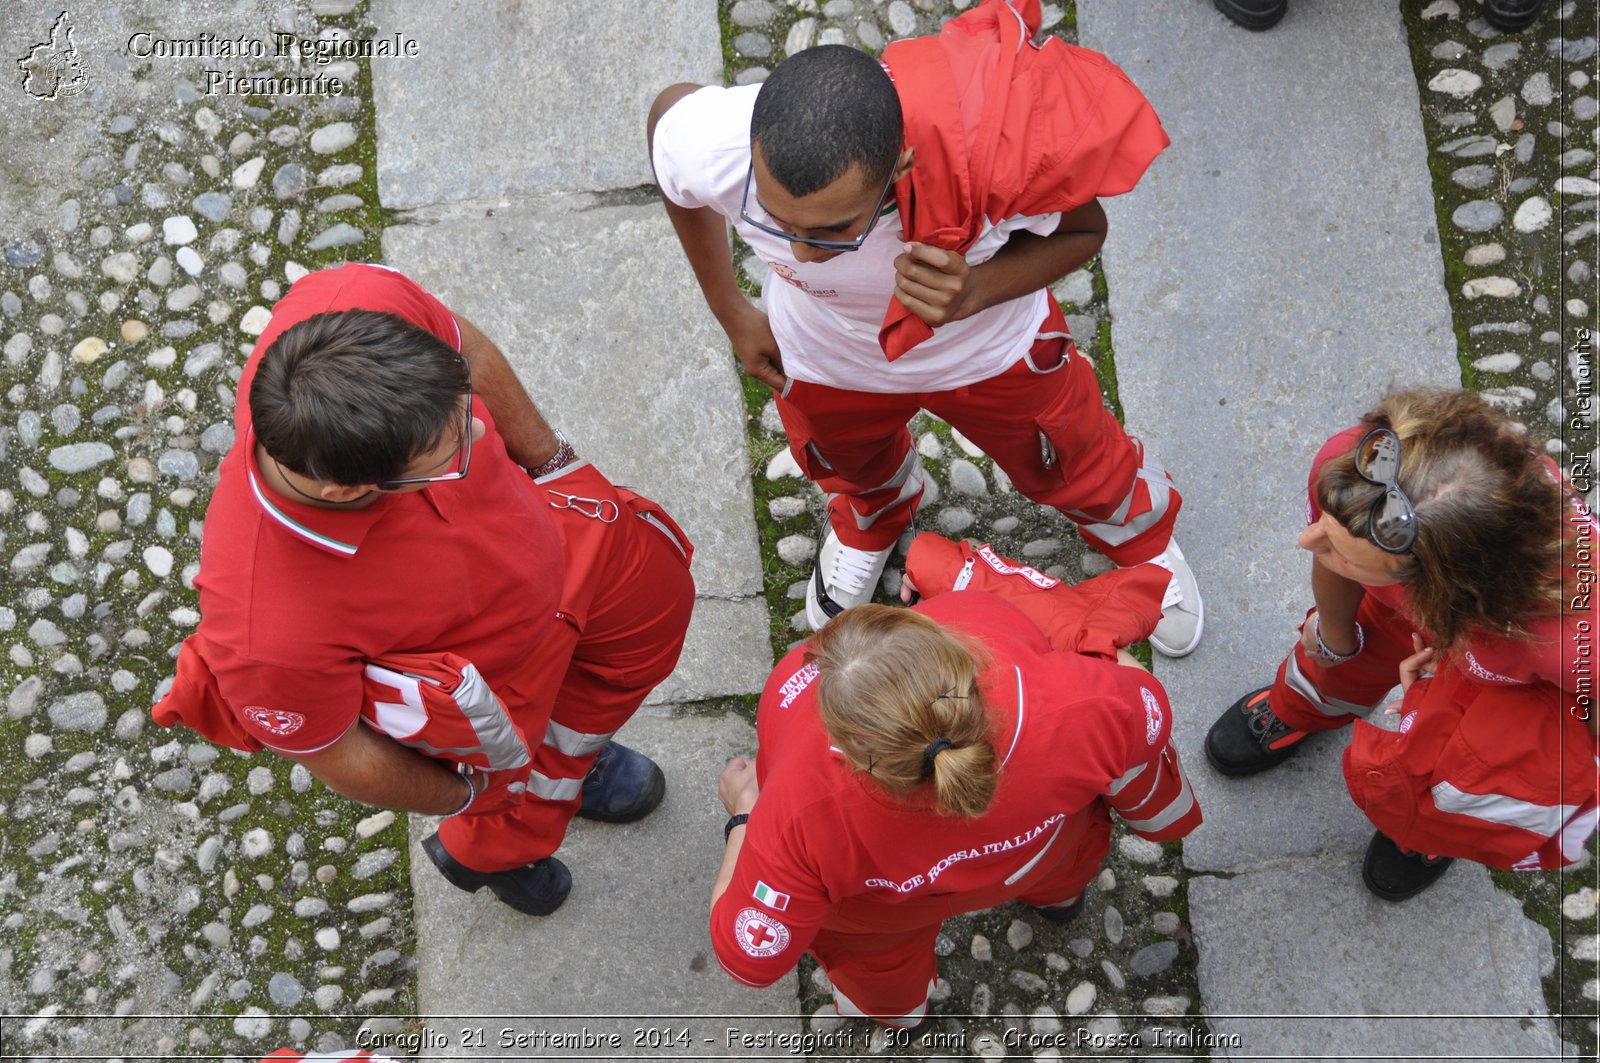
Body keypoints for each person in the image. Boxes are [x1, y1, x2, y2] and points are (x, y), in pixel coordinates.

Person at [648, 0, 1205, 657]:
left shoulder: (994, 154)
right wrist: (730, 307)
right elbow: (667, 126)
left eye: (832, 231)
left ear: (905, 165)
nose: (797, 252)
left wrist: (976, 290)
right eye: (778, 221)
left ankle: (1135, 532)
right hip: (828, 358)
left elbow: (1087, 230)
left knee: (1069, 452)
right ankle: (873, 513)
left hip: (990, 354)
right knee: (844, 458)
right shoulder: (716, 144)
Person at [182, 263, 696, 916]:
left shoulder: (356, 303)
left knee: (639, 634)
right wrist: (472, 794)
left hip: (567, 550)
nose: (480, 432)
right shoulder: (267, 635)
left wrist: (552, 464)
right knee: (518, 790)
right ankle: (493, 849)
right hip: (496, 683)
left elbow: (469, 350)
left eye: (462, 407)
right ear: (347, 489)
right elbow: (343, 757)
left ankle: (571, 754)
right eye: (448, 453)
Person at [707, 537, 1202, 1028]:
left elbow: (747, 956)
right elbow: (1144, 728)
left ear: (852, 751)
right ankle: (1059, 903)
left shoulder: (798, 801)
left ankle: (900, 1015)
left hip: (884, 918)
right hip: (1038, 854)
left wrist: (745, 813)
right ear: (954, 647)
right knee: (1063, 867)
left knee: (879, 976)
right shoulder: (1065, 695)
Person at [1204, 388, 1599, 900]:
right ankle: (1305, 703)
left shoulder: (1570, 640)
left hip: (1507, 682)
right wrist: (1334, 637)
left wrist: (1450, 712)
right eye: (1325, 529)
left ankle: (1432, 826)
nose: (1307, 543)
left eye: (1341, 551)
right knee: (1336, 657)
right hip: (1442, 627)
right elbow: (1331, 558)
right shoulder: (1358, 467)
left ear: (1441, 583)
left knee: (1450, 768)